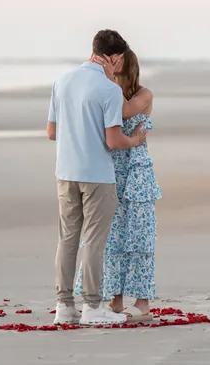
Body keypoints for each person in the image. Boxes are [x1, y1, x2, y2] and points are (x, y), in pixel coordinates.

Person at [46, 30, 148, 326]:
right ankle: (92, 306)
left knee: (67, 239)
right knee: (93, 241)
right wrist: (137, 140)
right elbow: (114, 141)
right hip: (97, 176)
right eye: (120, 61)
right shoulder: (108, 90)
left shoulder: (62, 81)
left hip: (65, 172)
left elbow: (52, 132)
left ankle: (64, 306)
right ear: (113, 57)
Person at [74, 49, 161, 322]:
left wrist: (105, 82)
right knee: (111, 239)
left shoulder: (143, 95)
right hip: (110, 169)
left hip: (135, 173)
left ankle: (142, 303)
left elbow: (123, 112)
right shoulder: (106, 93)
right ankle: (114, 299)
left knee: (138, 237)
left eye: (116, 66)